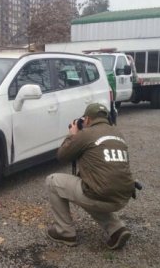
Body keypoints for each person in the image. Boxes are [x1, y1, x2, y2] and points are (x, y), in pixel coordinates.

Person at [45, 103, 135, 249]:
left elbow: (61, 156)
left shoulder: (86, 134)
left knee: (53, 181)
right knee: (93, 186)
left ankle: (64, 232)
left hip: (100, 195)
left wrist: (72, 135)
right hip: (123, 196)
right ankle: (117, 229)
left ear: (87, 120)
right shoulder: (118, 134)